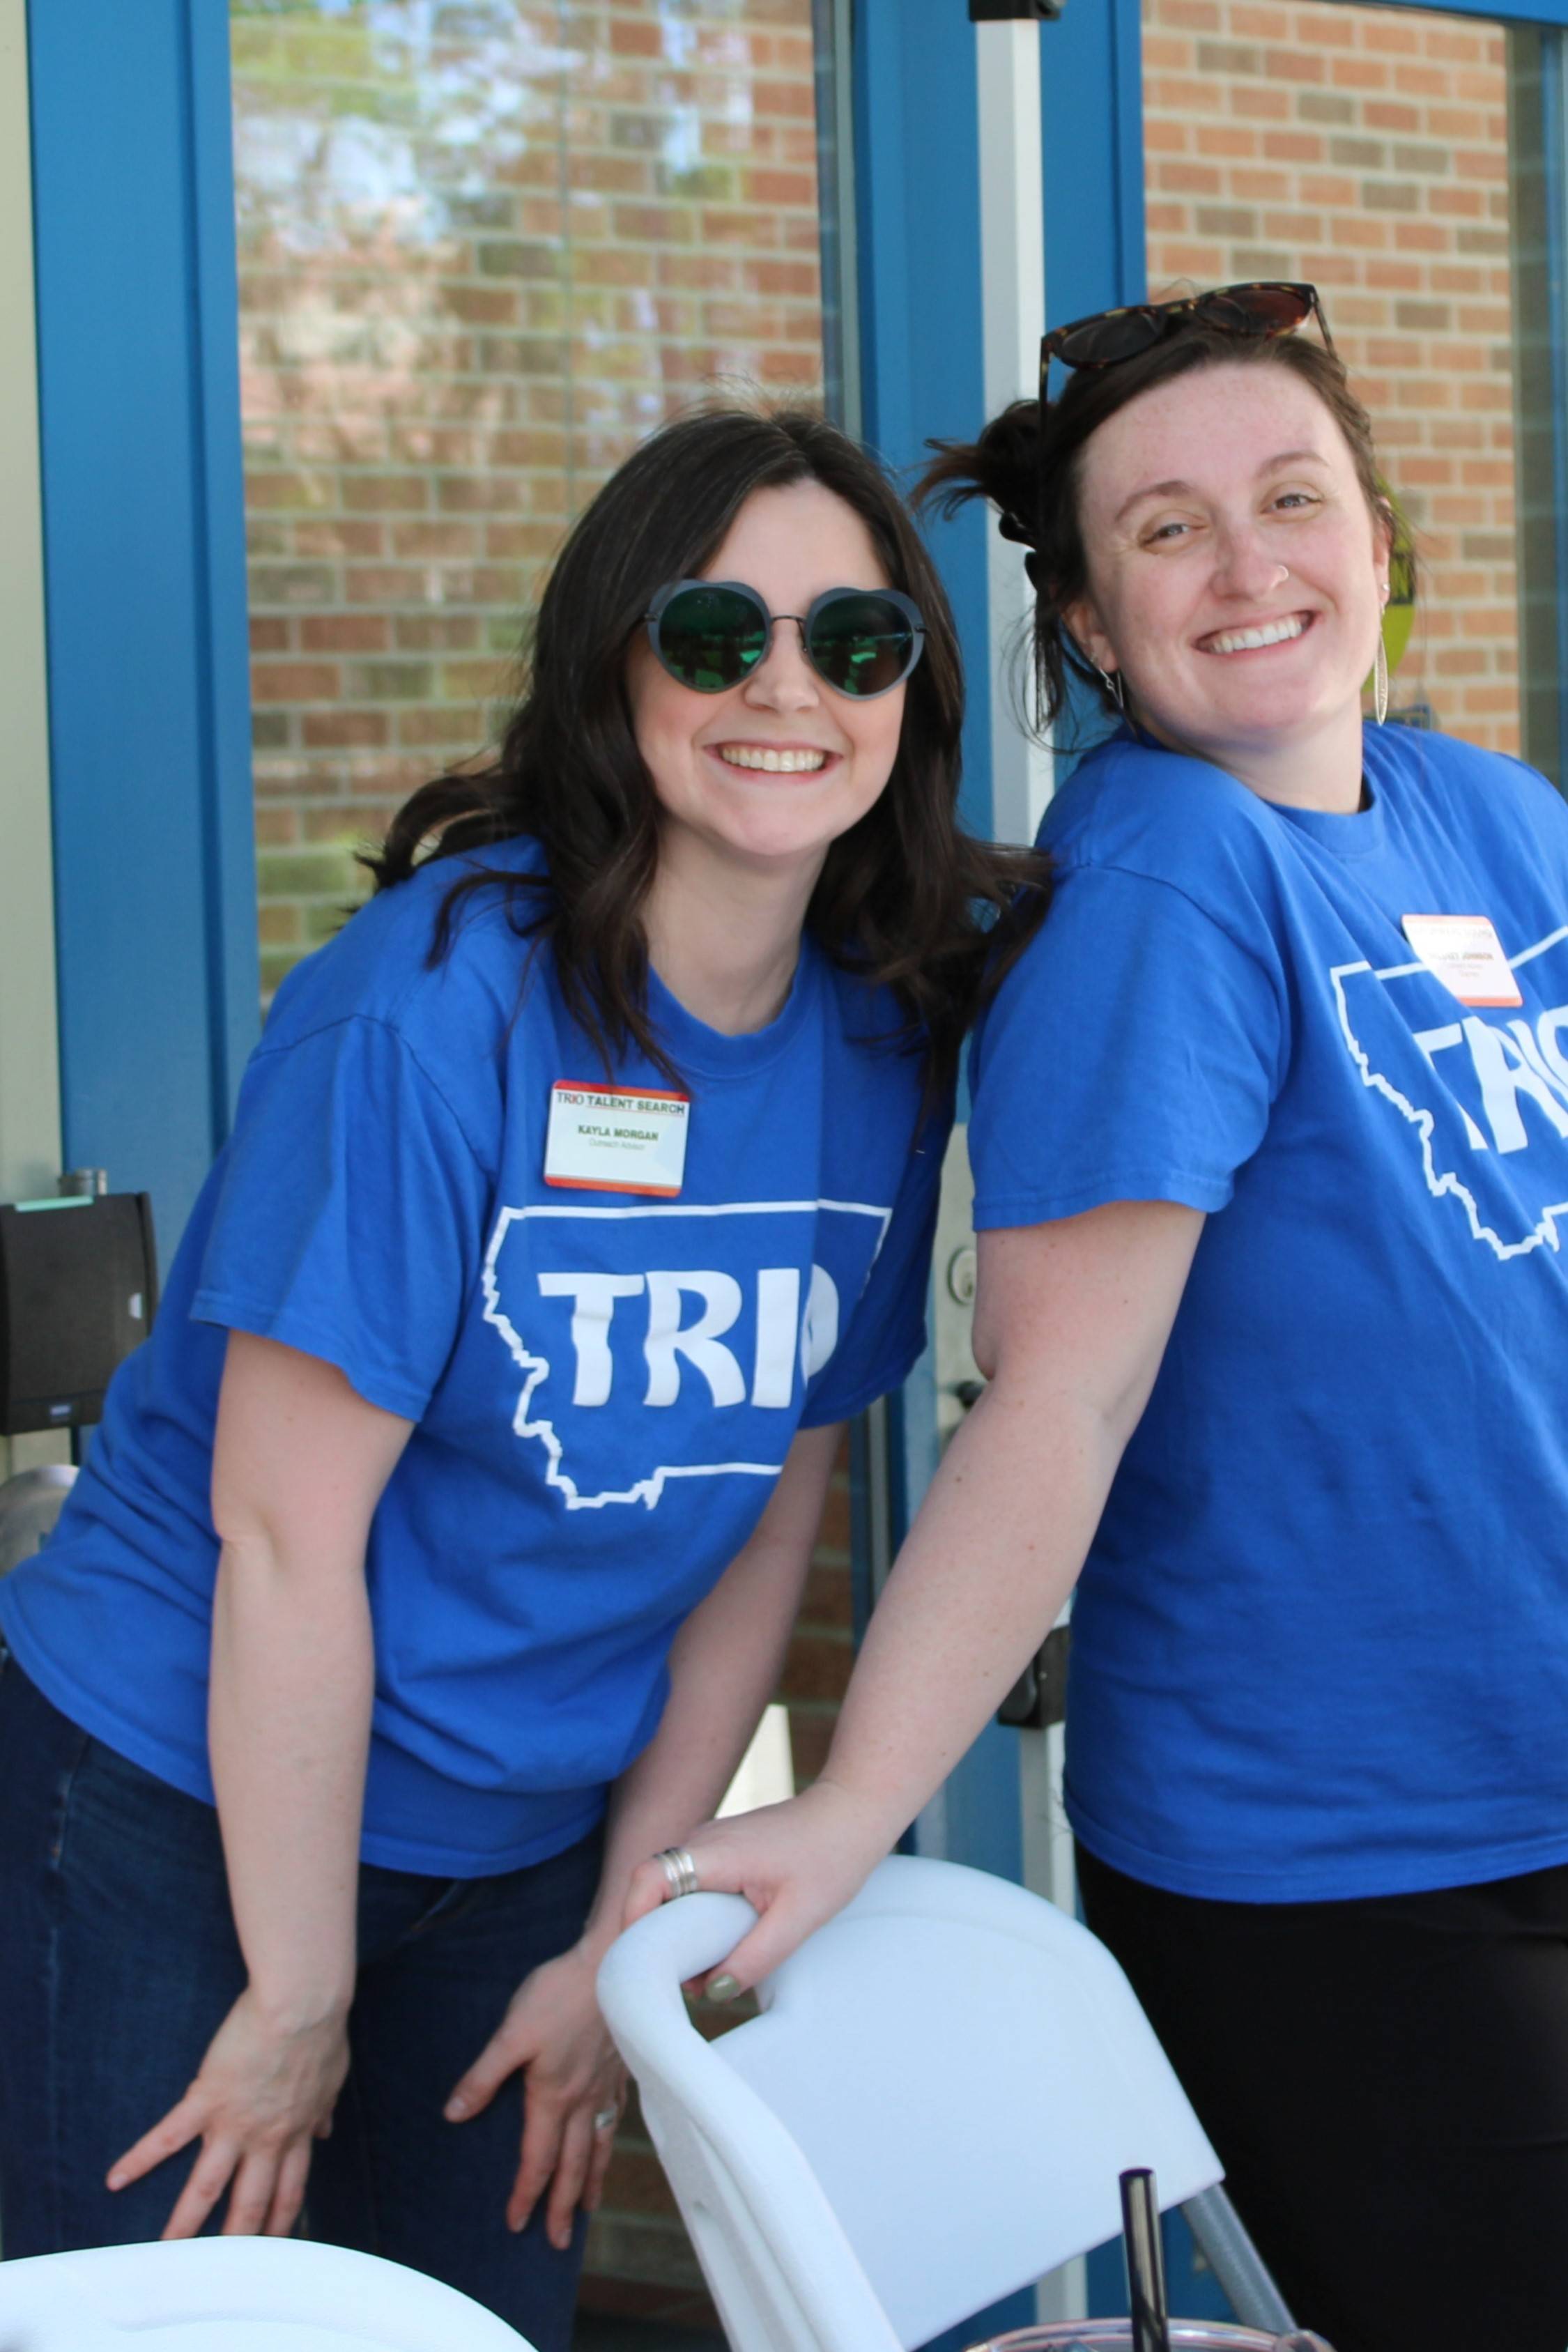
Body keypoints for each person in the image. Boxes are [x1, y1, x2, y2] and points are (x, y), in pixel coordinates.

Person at [0, 406, 1040, 2346]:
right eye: (718, 633)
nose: (788, 689)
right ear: (612, 665)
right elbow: (284, 1539)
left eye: (856, 640)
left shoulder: (883, 1041)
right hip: (173, 1807)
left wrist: (609, 1938)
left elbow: (772, 1504)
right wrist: (296, 1998)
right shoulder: (425, 1014)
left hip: (519, 1846)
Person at [631, 291, 1568, 2352]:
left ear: (1380, 540)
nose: (1246, 567)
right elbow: (1055, 1403)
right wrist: (857, 1800)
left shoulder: (1492, 822)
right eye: (1163, 531)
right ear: (1081, 625)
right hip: (1346, 1865)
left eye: (1290, 499)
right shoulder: (1158, 884)